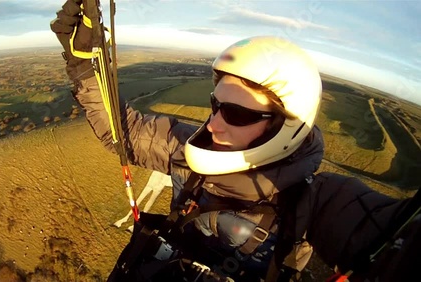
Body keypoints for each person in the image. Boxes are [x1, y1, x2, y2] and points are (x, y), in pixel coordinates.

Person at [50, 1, 420, 281]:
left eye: (238, 114)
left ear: (284, 126)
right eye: (215, 105)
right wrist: (85, 65)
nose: (214, 125)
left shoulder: (318, 201)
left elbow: (391, 234)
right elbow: (124, 133)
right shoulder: (191, 150)